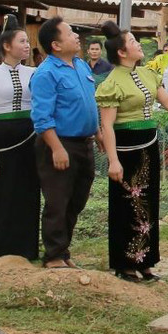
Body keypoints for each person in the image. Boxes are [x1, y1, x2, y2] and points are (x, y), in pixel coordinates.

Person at [93, 21, 168, 282]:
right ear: (121, 52)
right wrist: (113, 161)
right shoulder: (111, 83)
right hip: (126, 148)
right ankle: (125, 263)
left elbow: (167, 101)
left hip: (148, 145)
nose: (138, 45)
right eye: (132, 42)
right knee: (127, 205)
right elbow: (106, 125)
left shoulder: (148, 75)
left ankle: (146, 261)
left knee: (148, 204)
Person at [30, 17, 100, 269]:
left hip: (85, 142)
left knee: (77, 199)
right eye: (70, 33)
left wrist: (99, 132)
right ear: (56, 45)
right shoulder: (46, 74)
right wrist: (57, 148)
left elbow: (90, 104)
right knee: (58, 200)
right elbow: (41, 117)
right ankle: (53, 255)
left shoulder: (81, 66)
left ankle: (63, 250)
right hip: (59, 144)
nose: (76, 36)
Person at [0, 29, 40, 260]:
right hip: (2, 138)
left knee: (28, 191)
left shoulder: (35, 73)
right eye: (22, 41)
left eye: (27, 41)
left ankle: (27, 249)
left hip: (30, 136)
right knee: (3, 192)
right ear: (6, 46)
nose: (26, 45)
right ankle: (0, 251)